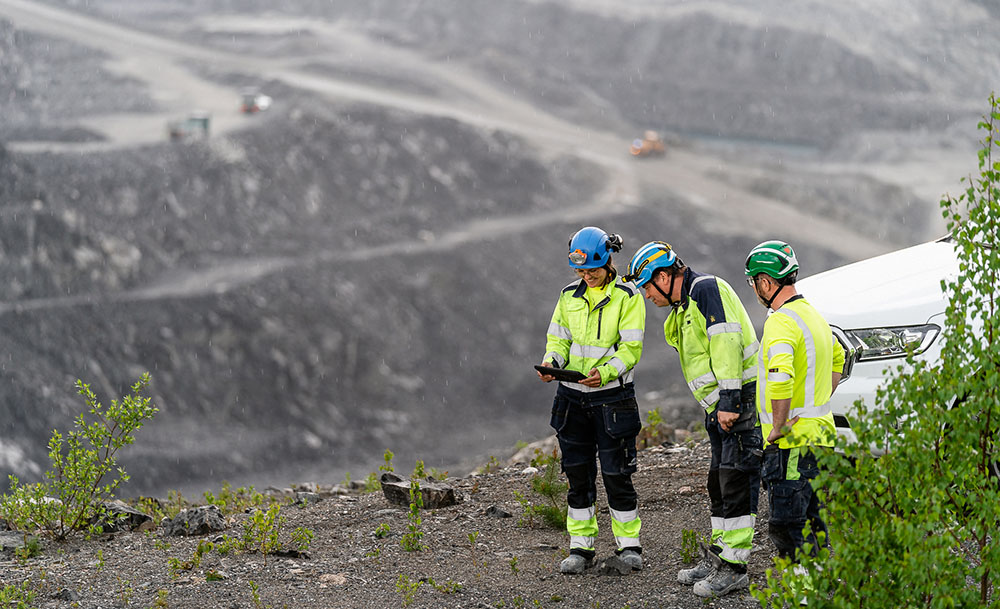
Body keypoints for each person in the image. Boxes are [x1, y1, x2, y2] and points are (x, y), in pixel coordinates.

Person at [625, 241, 762, 597]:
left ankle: (734, 567)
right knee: (718, 481)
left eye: (646, 287)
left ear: (664, 276)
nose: (647, 298)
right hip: (719, 407)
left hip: (739, 401)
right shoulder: (684, 306)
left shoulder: (704, 290)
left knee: (735, 481)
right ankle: (720, 556)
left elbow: (726, 343)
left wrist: (730, 401)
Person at [537, 226, 646, 574]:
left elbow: (631, 349)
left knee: (617, 474)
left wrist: (606, 372)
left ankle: (629, 544)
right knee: (577, 475)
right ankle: (580, 547)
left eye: (593, 271)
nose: (587, 277)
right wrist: (553, 363)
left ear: (608, 262)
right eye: (581, 271)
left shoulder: (628, 297)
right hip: (572, 399)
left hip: (612, 400)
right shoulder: (568, 296)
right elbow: (559, 339)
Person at [743, 240, 844, 572]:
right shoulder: (812, 315)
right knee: (813, 519)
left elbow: (781, 375)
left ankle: (803, 593)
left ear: (766, 282)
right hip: (819, 437)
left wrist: (778, 425)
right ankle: (818, 587)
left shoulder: (780, 321)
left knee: (788, 526)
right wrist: (817, 401)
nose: (755, 290)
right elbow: (841, 356)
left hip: (792, 442)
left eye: (753, 282)